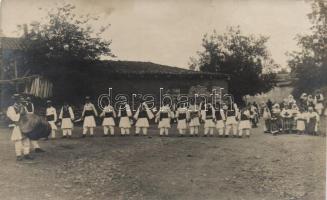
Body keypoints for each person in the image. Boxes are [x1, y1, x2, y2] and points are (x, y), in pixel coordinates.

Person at [7, 94, 33, 161]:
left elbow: (27, 115)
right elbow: (13, 117)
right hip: (18, 125)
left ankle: (26, 154)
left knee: (26, 139)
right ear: (15, 100)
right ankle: (18, 155)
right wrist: (20, 114)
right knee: (18, 141)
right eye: (18, 98)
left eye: (21, 98)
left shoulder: (23, 107)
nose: (21, 100)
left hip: (25, 125)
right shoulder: (11, 108)